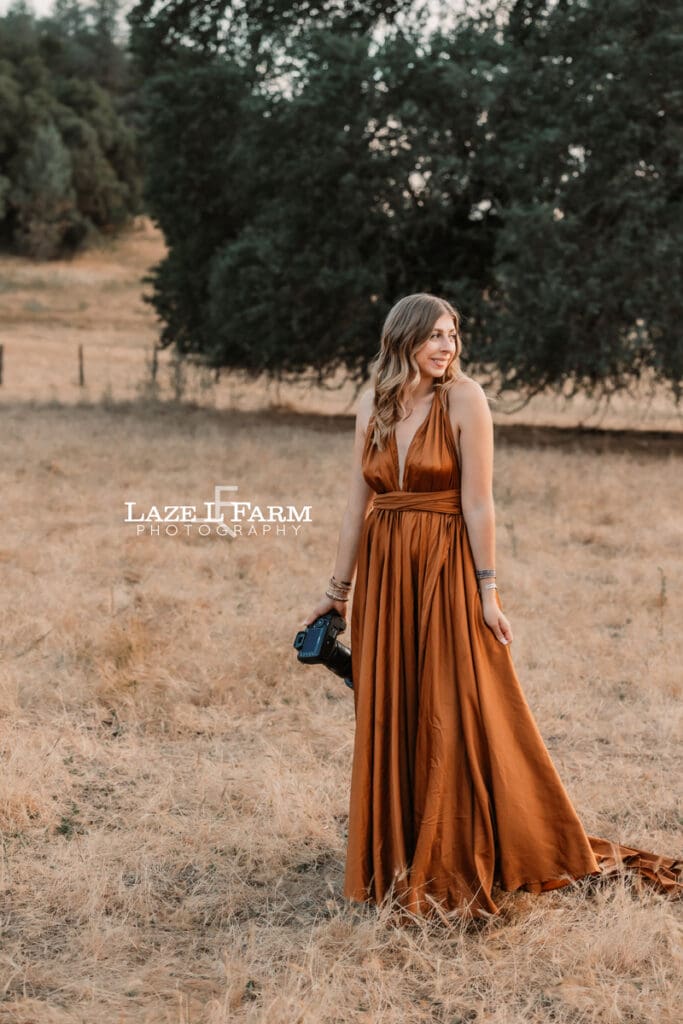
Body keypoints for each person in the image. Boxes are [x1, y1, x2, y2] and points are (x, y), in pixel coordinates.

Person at [301, 292, 682, 923]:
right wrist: (337, 592)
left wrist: (488, 591)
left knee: (451, 706)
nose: (448, 347)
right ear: (403, 340)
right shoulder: (372, 403)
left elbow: (479, 504)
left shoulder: (466, 399)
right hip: (388, 577)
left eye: (453, 335)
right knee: (395, 704)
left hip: (445, 570)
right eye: (436, 336)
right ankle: (397, 855)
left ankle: (456, 850)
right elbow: (357, 506)